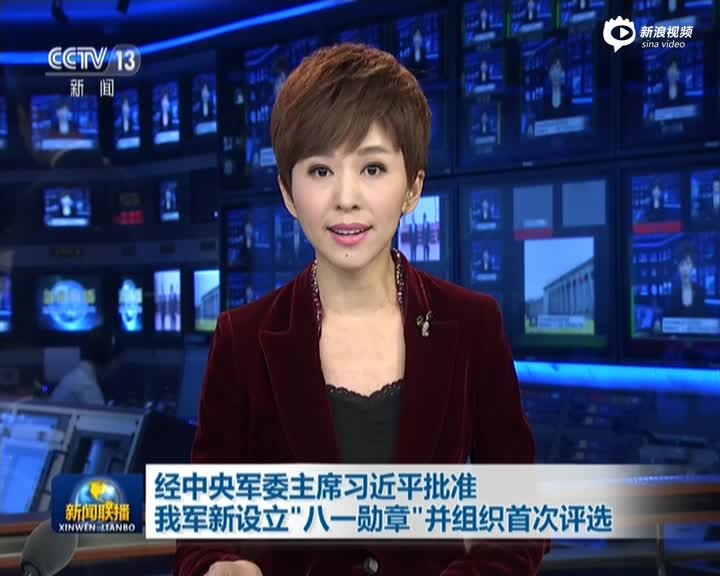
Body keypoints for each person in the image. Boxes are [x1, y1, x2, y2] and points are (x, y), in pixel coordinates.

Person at [175, 43, 547, 576]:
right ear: (288, 192)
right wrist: (216, 565)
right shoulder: (243, 339)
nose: (346, 198)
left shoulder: (472, 324)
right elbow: (201, 534)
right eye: (320, 171)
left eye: (372, 168)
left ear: (413, 187)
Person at [50, 325, 117, 406]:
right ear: (108, 359)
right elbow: (99, 413)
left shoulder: (77, 377)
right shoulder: (87, 387)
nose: (115, 371)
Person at [666, 242, 707, 318]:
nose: (685, 268)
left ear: (693, 266)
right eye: (682, 264)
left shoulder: (700, 291)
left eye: (688, 264)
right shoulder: (674, 293)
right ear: (678, 267)